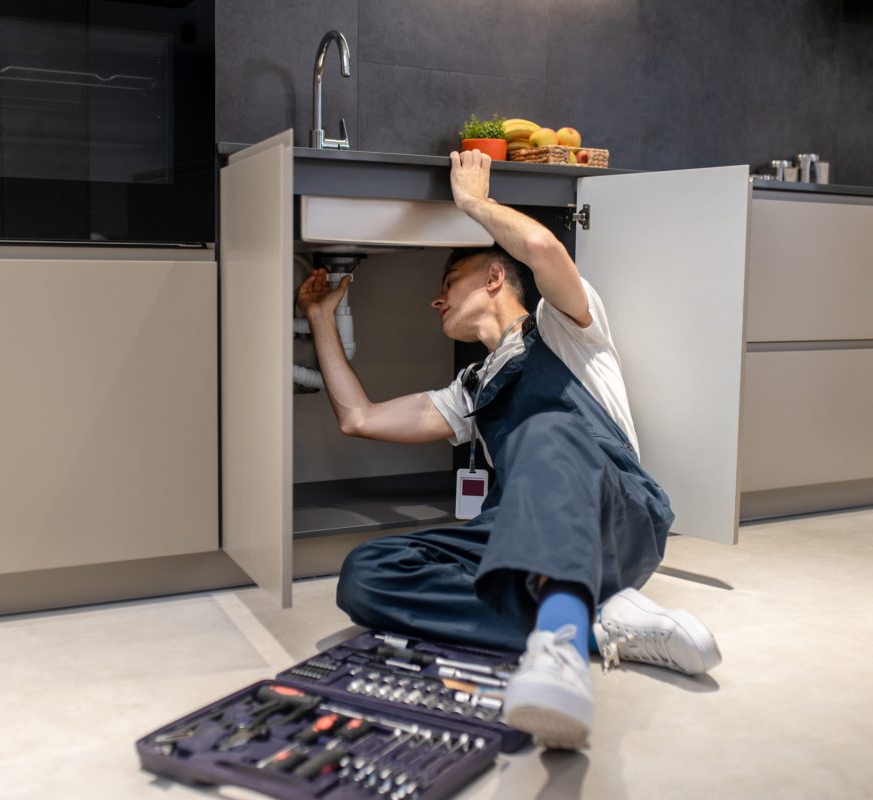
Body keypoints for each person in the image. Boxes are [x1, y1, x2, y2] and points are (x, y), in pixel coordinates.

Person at [295, 149, 720, 750]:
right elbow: (359, 418)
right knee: (366, 575)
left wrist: (474, 203)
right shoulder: (472, 389)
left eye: (448, 283)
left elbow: (544, 250)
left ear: (494, 276)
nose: (436, 300)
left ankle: (561, 648)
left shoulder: (567, 327)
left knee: (546, 430)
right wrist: (319, 317)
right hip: (522, 533)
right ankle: (600, 624)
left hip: (616, 512)